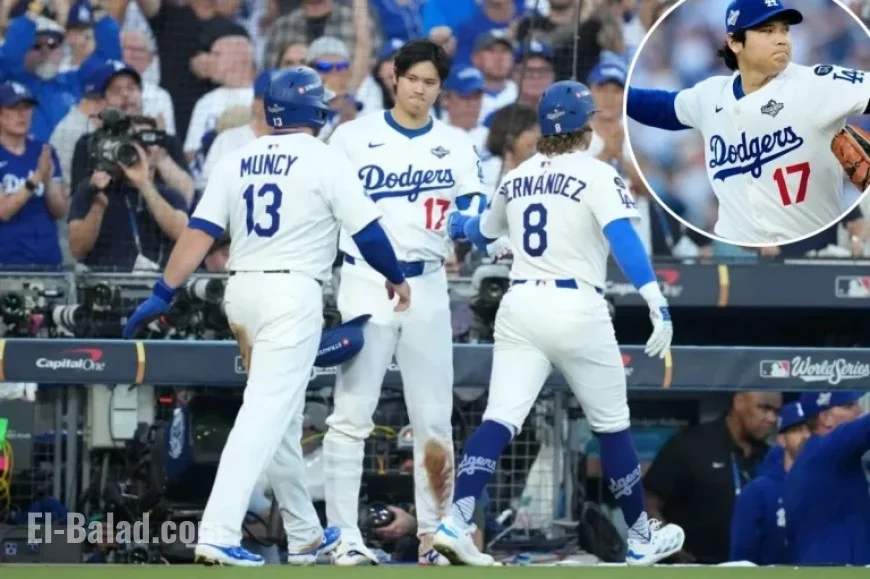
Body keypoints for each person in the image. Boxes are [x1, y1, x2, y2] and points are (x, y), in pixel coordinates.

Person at [121, 66, 411, 566]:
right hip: (290, 295)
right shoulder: (324, 158)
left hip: (242, 293)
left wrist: (163, 291)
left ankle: (303, 534)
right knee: (263, 415)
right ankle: (215, 531)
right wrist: (396, 276)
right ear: (316, 112)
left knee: (281, 418)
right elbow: (367, 234)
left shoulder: (239, 158)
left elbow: (198, 233)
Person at [434, 80, 684, 566]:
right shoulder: (598, 173)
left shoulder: (517, 175)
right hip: (577, 309)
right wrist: (656, 299)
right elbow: (623, 239)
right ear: (585, 126)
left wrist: (458, 224)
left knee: (500, 418)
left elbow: (483, 235)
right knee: (612, 427)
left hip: (522, 306)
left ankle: (457, 520)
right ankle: (639, 536)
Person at [321, 39, 488, 566]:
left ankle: (435, 536)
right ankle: (343, 533)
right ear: (394, 78)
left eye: (431, 82)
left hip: (430, 281)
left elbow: (473, 207)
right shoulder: (351, 136)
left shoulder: (457, 142)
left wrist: (481, 227)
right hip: (366, 281)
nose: (420, 89)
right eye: (412, 78)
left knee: (434, 417)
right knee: (351, 413)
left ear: (442, 88)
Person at [626, 0, 870, 244]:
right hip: (736, 252)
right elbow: (661, 108)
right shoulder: (711, 94)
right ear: (734, 42)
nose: (781, 38)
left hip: (813, 247)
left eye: (784, 29)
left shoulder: (817, 82)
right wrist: (615, 93)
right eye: (767, 31)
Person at [642, 392, 781, 563]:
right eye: (763, 408)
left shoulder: (771, 458)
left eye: (776, 412)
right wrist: (673, 550)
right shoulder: (690, 445)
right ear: (738, 402)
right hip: (693, 569)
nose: (772, 418)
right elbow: (646, 503)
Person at [784, 391, 870, 565]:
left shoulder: (811, 456)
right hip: (839, 567)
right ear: (825, 418)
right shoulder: (827, 449)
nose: (859, 410)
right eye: (849, 406)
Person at [728, 400, 810, 565]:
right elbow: (742, 557)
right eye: (796, 430)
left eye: (810, 429)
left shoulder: (828, 486)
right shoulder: (757, 491)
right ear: (781, 439)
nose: (806, 436)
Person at [0, 81, 68, 268]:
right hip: (7, 262)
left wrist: (48, 182)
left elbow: (60, 210)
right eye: (14, 108)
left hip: (48, 259)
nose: (22, 115)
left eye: (27, 108)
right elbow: (4, 211)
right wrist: (37, 177)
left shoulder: (44, 151)